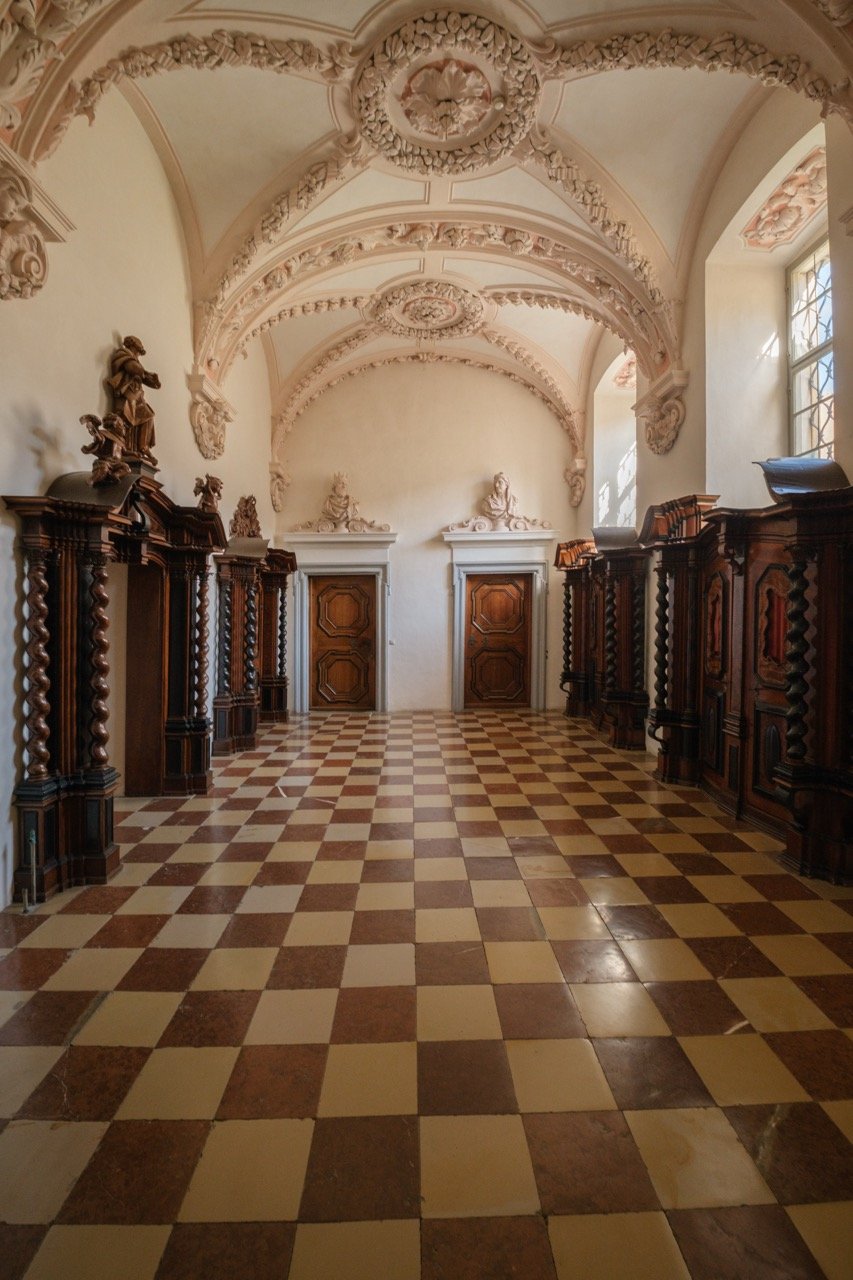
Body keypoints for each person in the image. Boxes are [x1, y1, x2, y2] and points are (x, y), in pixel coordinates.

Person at [106, 335, 161, 460]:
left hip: (137, 395)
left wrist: (156, 382)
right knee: (127, 419)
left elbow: (149, 380)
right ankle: (126, 448)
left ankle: (142, 446)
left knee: (148, 416)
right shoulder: (123, 354)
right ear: (133, 344)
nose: (140, 349)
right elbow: (133, 368)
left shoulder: (136, 361)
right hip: (127, 394)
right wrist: (146, 374)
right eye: (139, 346)